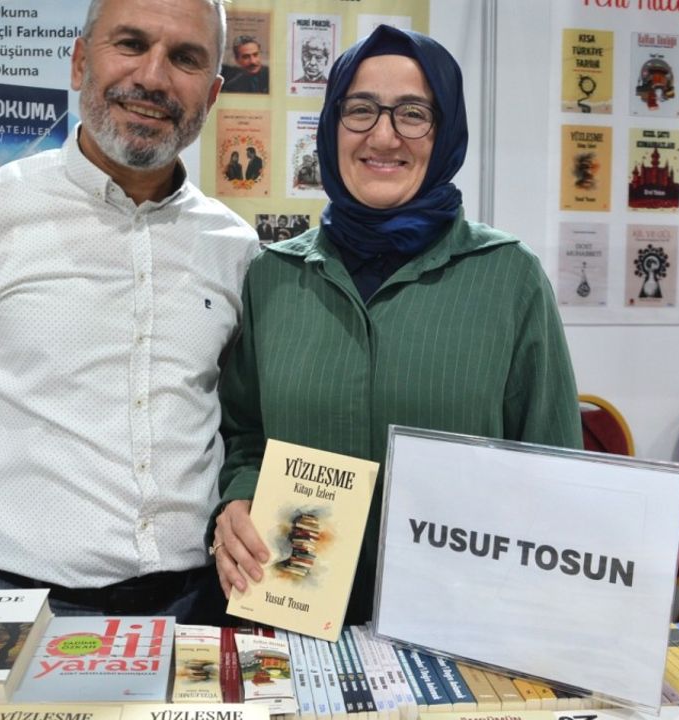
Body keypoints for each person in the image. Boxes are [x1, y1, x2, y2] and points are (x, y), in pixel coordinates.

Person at [0, 0, 259, 622]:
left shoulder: (234, 246)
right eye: (130, 44)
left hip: (196, 603)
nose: (153, 77)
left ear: (210, 95)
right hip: (14, 603)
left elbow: (237, 424)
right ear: (79, 62)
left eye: (185, 58)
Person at [208, 24, 580, 625]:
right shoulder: (274, 276)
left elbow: (554, 470)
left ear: (446, 131)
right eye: (360, 110)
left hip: (459, 626)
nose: (383, 136)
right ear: (331, 127)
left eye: (413, 113)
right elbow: (246, 433)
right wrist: (239, 497)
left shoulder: (509, 278)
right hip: (292, 617)